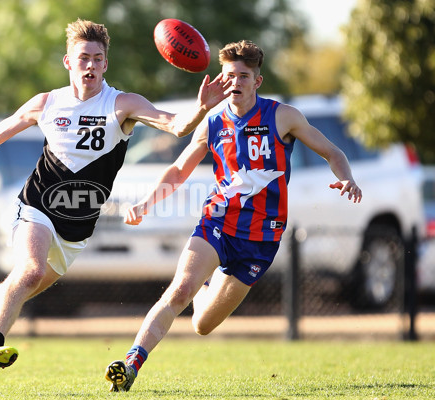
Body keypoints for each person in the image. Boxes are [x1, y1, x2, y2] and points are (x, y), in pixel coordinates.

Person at [0, 19, 231, 382]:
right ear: (68, 62)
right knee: (30, 271)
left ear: (106, 64)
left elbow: (176, 126)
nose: (90, 65)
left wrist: (201, 108)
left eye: (98, 58)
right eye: (83, 57)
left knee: (16, 288)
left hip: (77, 229)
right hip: (36, 206)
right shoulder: (47, 103)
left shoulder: (123, 104)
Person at [104, 40, 362, 392]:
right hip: (218, 224)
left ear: (257, 81)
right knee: (179, 291)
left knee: (202, 325)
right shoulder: (212, 121)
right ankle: (132, 363)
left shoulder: (282, 116)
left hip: (261, 241)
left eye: (243, 75)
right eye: (229, 76)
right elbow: (179, 170)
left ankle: (204, 286)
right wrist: (146, 204)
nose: (235, 82)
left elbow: (332, 152)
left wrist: (346, 177)